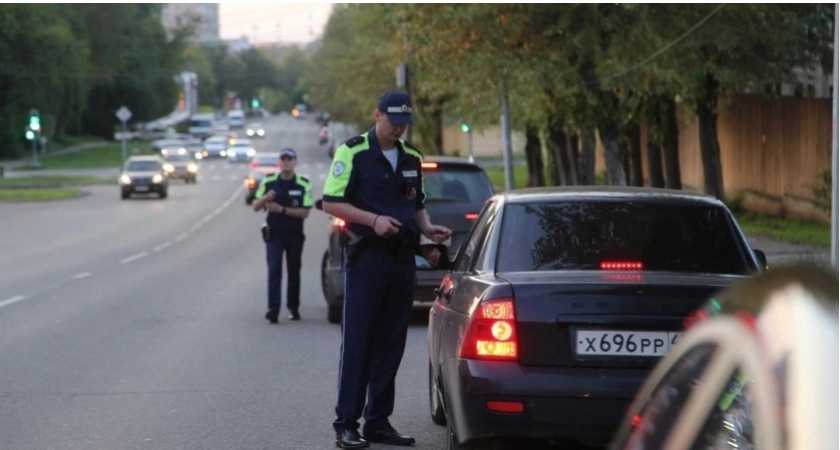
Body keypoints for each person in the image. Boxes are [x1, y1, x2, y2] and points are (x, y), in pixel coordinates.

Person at [322, 90, 452, 449]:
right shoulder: (353, 152)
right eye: (393, 121)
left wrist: (428, 229)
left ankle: (378, 421)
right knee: (359, 344)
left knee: (391, 344)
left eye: (404, 123)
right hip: (367, 258)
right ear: (377, 114)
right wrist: (373, 219)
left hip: (401, 260)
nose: (398, 129)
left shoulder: (412, 157)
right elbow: (331, 201)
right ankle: (346, 423)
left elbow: (417, 203)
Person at [252, 148, 313, 323]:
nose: (286, 162)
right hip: (275, 234)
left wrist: (282, 210)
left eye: (290, 159)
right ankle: (273, 309)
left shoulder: (303, 184)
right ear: (279, 162)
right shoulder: (269, 181)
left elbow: (305, 212)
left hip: (294, 234)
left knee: (294, 271)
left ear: (295, 162)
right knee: (274, 271)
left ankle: (293, 308)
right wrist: (265, 198)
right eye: (283, 159)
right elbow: (255, 206)